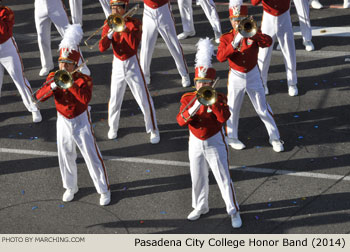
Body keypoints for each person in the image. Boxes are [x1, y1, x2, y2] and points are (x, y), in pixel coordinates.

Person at [35, 24, 111, 206]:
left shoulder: (83, 79)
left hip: (80, 120)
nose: (63, 66)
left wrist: (71, 84)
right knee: (65, 153)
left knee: (91, 155)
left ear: (75, 64)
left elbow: (84, 99)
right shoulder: (54, 76)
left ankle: (103, 189)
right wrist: (53, 85)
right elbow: (39, 97)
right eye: (61, 62)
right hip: (62, 120)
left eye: (67, 63)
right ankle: (70, 186)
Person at [177, 38, 242, 229]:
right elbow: (180, 120)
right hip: (195, 142)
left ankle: (233, 210)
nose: (201, 86)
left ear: (212, 83)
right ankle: (200, 206)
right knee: (197, 176)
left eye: (205, 82)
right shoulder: (187, 98)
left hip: (214, 141)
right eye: (199, 82)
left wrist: (211, 103)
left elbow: (224, 117)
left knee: (223, 177)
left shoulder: (219, 98)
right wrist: (196, 105)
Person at [217, 2, 284, 152]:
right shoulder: (226, 38)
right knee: (233, 108)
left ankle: (275, 138)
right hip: (236, 76)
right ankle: (232, 137)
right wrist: (235, 42)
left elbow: (268, 42)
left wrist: (256, 34)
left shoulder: (252, 31)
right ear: (230, 20)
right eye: (235, 19)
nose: (237, 22)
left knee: (262, 108)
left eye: (240, 18)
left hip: (253, 74)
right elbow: (220, 57)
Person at [99, 0, 160, 144]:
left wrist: (123, 28)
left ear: (123, 8)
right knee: (114, 99)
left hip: (132, 63)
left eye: (116, 8)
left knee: (143, 98)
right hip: (117, 64)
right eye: (112, 8)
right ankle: (113, 127)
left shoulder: (135, 23)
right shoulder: (109, 23)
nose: (114, 11)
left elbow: (133, 46)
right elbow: (102, 48)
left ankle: (153, 129)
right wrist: (109, 34)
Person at [0, 2, 42, 123]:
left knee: (19, 79)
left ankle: (34, 108)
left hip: (7, 49)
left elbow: (4, 32)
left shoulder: (6, 12)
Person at [251, 0, 298, 96]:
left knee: (289, 53)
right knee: (263, 54)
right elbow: (254, 2)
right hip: (268, 17)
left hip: (284, 15)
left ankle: (292, 83)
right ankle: (262, 83)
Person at [140, 0, 191, 87]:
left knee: (174, 45)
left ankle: (184, 74)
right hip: (148, 11)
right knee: (146, 46)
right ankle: (144, 74)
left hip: (163, 10)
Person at [34, 0, 90, 77]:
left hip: (55, 5)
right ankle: (47, 64)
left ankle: (82, 64)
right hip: (39, 6)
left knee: (69, 36)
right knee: (42, 38)